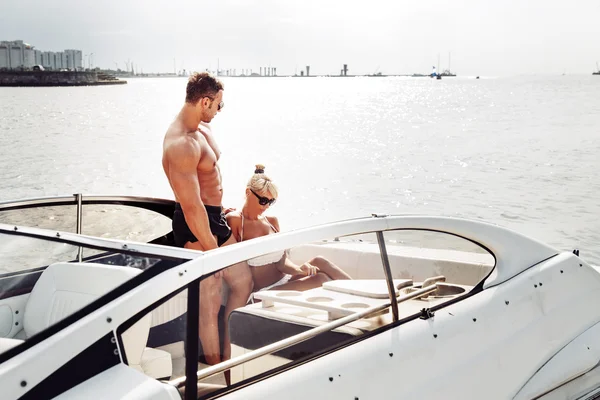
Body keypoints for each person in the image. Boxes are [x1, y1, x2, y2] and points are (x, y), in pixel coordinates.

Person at [162, 72, 253, 368]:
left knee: (242, 280)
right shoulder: (180, 144)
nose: (219, 110)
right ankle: (215, 372)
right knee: (209, 301)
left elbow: (208, 182)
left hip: (214, 216)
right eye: (218, 105)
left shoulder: (202, 128)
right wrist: (212, 253)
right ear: (205, 101)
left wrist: (223, 210)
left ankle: (229, 355)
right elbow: (191, 207)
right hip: (195, 223)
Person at [227, 165, 351, 293]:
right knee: (321, 279)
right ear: (248, 192)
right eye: (263, 200)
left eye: (271, 201)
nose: (267, 206)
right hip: (264, 291)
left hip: (284, 280)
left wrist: (298, 270)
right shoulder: (236, 221)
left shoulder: (271, 221)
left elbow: (281, 261)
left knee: (320, 261)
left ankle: (366, 296)